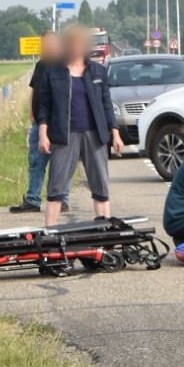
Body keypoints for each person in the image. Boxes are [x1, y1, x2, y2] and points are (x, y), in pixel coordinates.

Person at [36, 25, 124, 228]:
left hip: (95, 135)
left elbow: (106, 104)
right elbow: (44, 105)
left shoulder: (98, 71)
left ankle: (104, 230)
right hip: (64, 135)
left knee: (100, 185)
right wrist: (43, 133)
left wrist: (115, 134)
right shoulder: (53, 71)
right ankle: (50, 233)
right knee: (56, 187)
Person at [10, 31, 64, 214]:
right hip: (38, 123)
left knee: (61, 162)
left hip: (59, 123)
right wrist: (32, 113)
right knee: (36, 162)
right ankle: (33, 199)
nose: (47, 47)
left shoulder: (65, 65)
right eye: (44, 44)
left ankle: (62, 199)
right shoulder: (41, 65)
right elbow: (35, 90)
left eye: (50, 43)